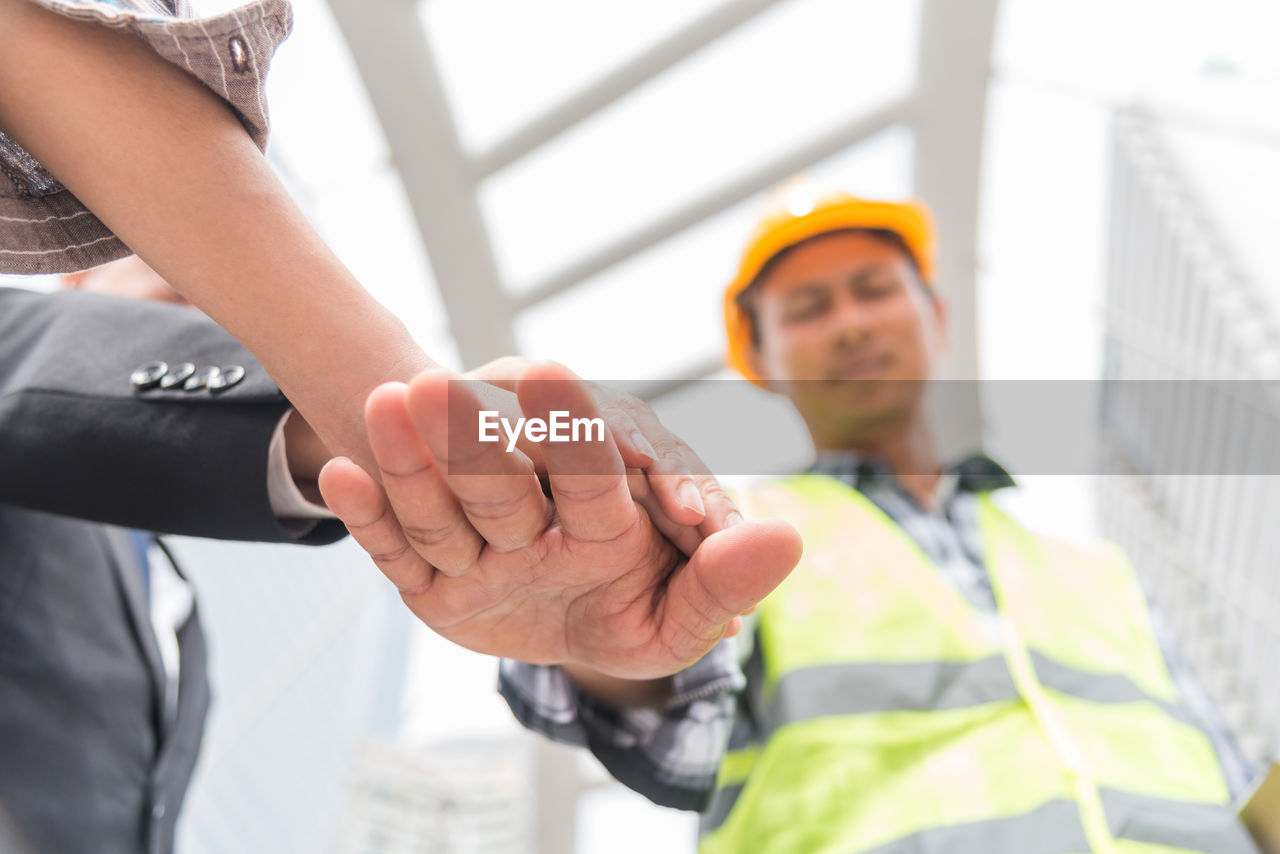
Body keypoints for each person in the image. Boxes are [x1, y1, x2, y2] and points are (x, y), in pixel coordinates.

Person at [0, 0, 801, 677]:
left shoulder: (179, 612)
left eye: (235, 318)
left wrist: (425, 442)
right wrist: (388, 397)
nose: (232, 336)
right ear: (74, 275)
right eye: (182, 280)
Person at [481, 190, 1264, 853]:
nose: (850, 323)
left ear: (938, 317)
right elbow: (669, 722)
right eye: (811, 308)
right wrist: (597, 643)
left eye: (875, 290)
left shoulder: (1102, 571)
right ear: (762, 359)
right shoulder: (734, 536)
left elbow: (1229, 791)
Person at [0, 257, 341, 853]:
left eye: (230, 330)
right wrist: (439, 428)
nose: (206, 335)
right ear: (75, 277)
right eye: (181, 299)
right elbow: (40, 355)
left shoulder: (181, 615)